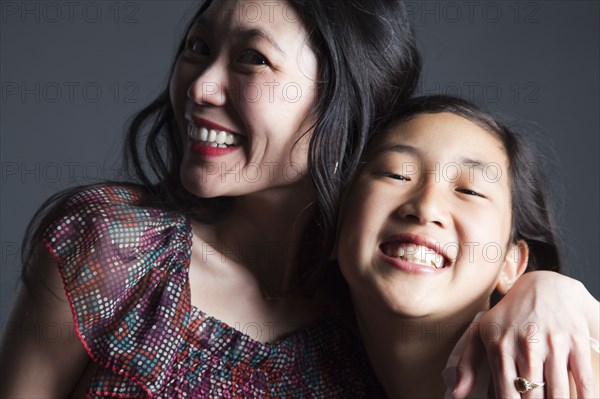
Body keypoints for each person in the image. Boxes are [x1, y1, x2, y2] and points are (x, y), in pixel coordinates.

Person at [0, 0, 597, 397]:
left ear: (341, 98)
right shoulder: (115, 246)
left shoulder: (376, 302)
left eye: (254, 59)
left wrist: (547, 287)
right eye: (196, 47)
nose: (200, 87)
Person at [335, 95, 600, 398]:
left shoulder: (568, 379)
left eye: (470, 190)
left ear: (511, 263)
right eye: (397, 174)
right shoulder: (300, 369)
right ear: (335, 224)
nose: (426, 208)